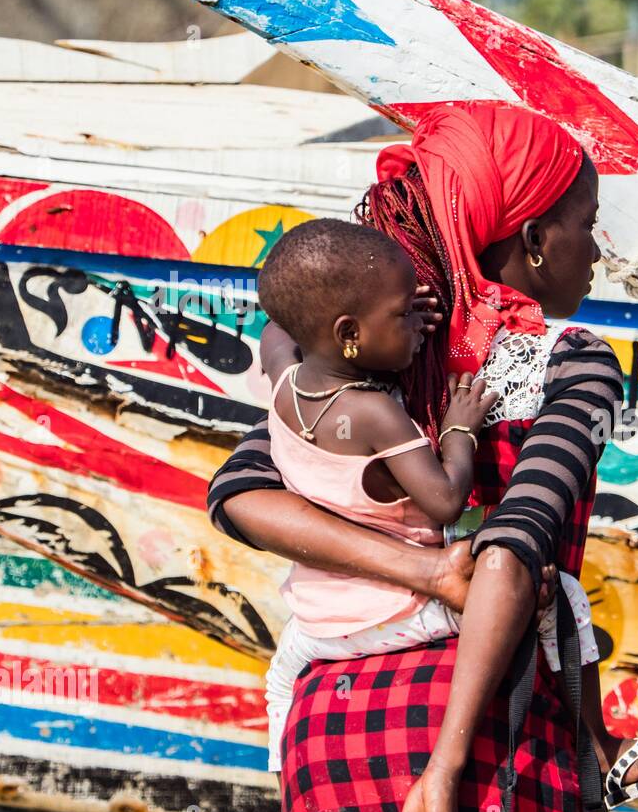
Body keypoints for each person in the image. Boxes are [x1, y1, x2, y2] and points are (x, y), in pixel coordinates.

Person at [207, 102, 638, 812]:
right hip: (484, 744)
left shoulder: (360, 356)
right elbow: (512, 549)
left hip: (332, 736)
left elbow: (239, 494)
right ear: (533, 240)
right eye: (587, 224)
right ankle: (596, 754)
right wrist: (445, 765)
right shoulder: (571, 367)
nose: (596, 249)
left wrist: (420, 571)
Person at [250, 219, 600, 778]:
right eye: (404, 314)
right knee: (564, 601)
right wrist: (460, 429)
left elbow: (278, 328)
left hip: (316, 617)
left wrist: (382, 315)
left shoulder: (285, 379)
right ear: (349, 333)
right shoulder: (374, 412)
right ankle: (598, 749)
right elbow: (442, 500)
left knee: (278, 684)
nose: (420, 325)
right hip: (398, 605)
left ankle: (288, 809)